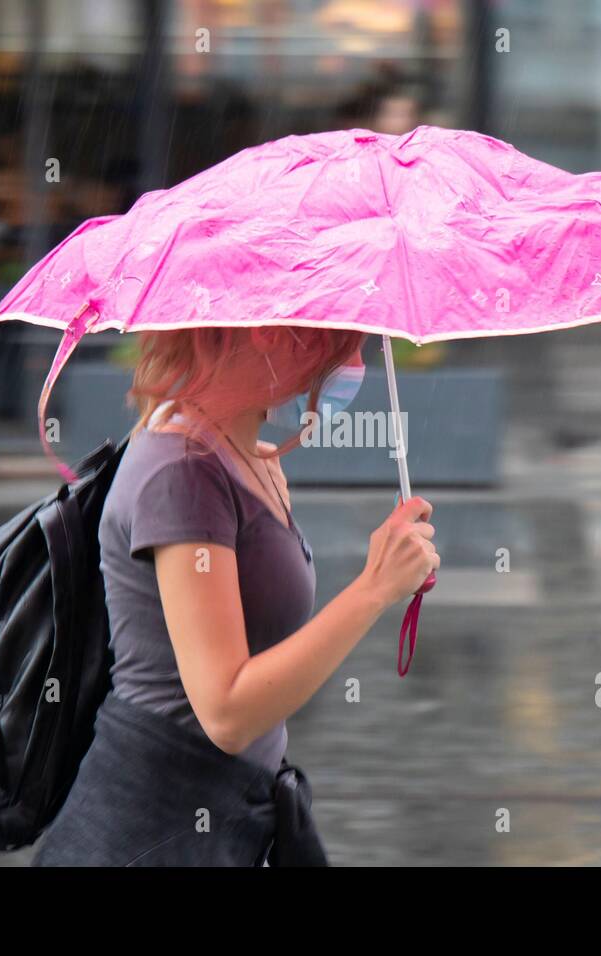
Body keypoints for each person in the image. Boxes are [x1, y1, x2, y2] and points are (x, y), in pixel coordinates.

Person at [33, 325, 440, 866]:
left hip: (227, 814)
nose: (351, 356)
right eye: (338, 336)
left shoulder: (247, 450)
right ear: (269, 333)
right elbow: (225, 711)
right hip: (157, 825)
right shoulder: (183, 470)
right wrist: (373, 589)